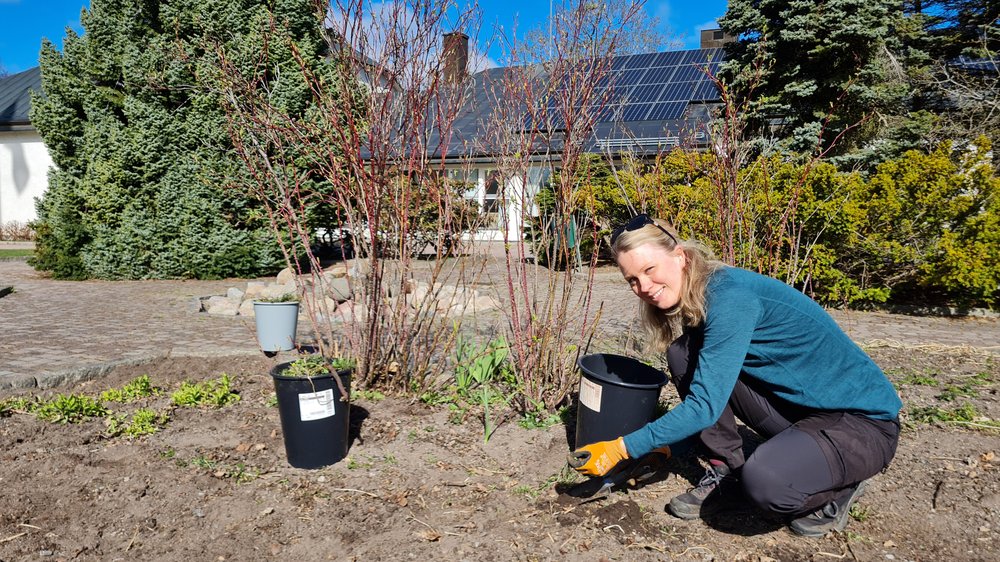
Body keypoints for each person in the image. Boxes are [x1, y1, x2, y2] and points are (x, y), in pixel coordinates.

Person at [568, 214, 902, 538]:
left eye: (649, 270)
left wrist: (623, 448)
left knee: (767, 486)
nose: (644, 286)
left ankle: (838, 487)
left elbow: (705, 407)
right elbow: (712, 385)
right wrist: (670, 445)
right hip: (804, 411)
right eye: (633, 280)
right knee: (684, 353)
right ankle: (728, 466)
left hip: (862, 426)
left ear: (680, 256)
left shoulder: (731, 299)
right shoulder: (700, 293)